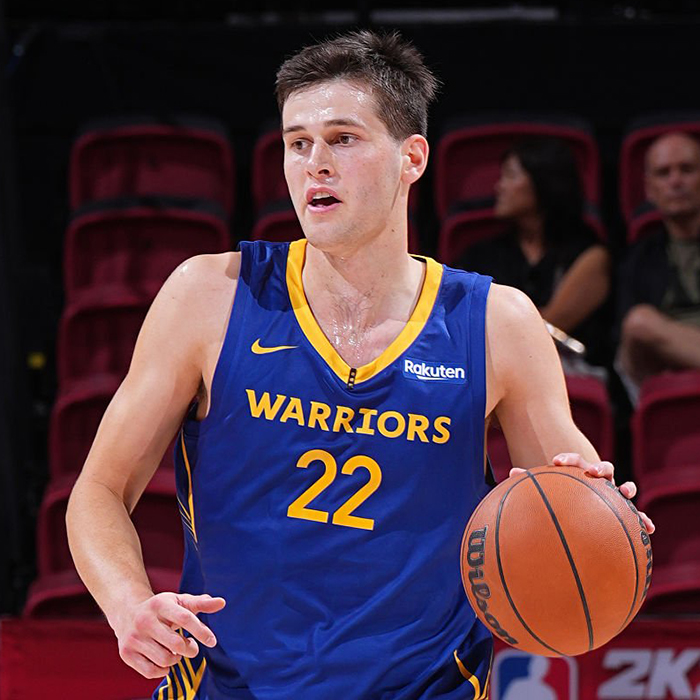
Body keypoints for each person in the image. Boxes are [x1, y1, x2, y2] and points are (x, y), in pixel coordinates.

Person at [66, 31, 652, 700]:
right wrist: (128, 604)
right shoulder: (210, 296)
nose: (315, 163)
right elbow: (99, 491)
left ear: (412, 158)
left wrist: (602, 517)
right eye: (297, 143)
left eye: (343, 138)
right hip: (230, 685)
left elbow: (570, 511)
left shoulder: (498, 323)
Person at [457, 137, 611, 370]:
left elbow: (544, 328)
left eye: (510, 176)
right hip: (494, 369)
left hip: (571, 374)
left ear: (544, 182)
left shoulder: (590, 254)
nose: (499, 186)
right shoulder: (480, 255)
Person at [617, 131, 700, 402]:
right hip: (662, 364)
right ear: (650, 189)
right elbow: (625, 341)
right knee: (639, 322)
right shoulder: (638, 258)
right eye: (664, 173)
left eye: (686, 169)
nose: (676, 181)